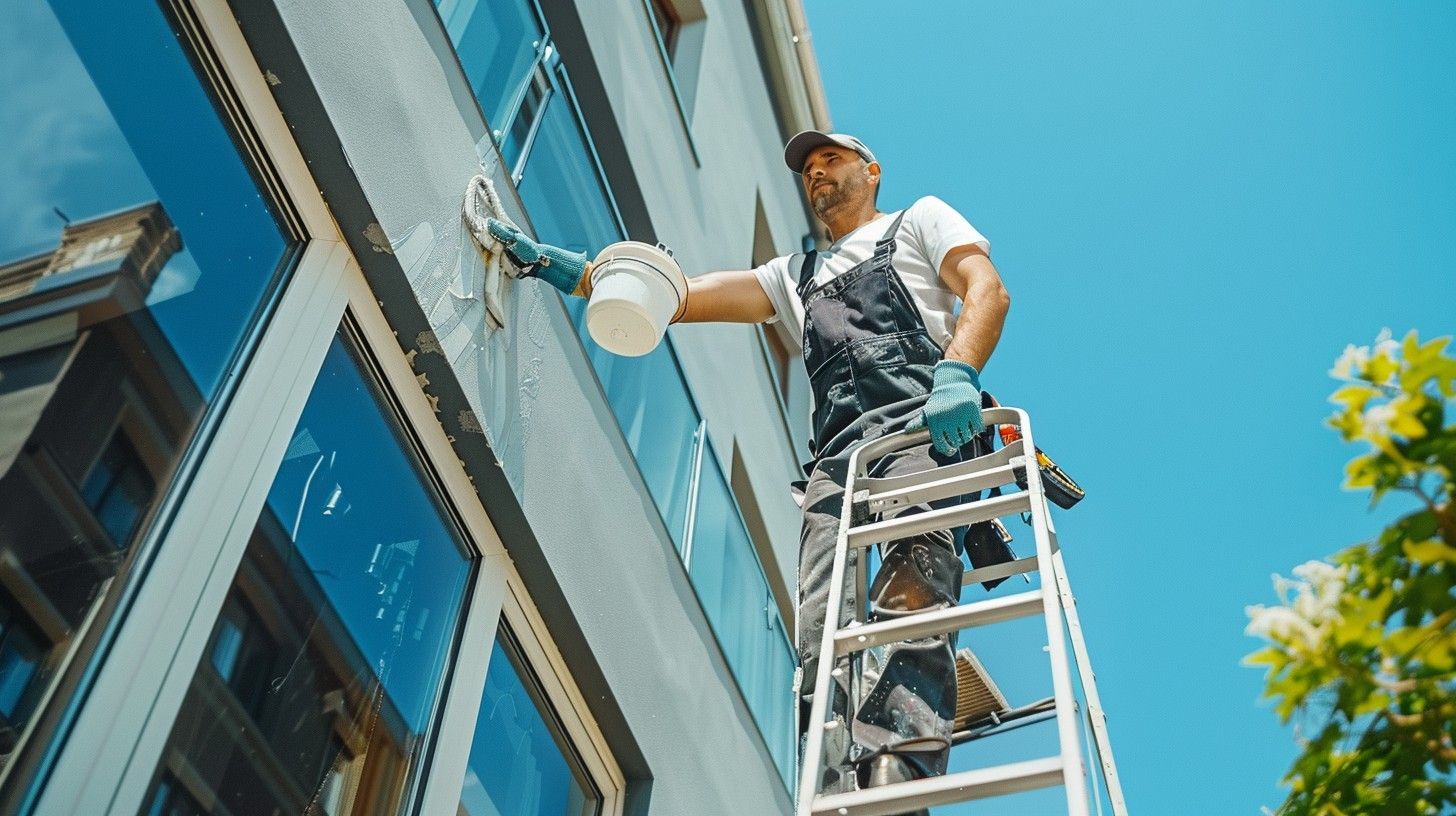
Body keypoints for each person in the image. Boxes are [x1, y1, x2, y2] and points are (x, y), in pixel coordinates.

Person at [487, 131, 1010, 810]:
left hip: (922, 427)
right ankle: (831, 781)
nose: (816, 172)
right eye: (807, 169)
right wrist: (585, 276)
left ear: (871, 171)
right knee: (823, 629)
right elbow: (683, 296)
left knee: (915, 575)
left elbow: (986, 290)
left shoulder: (920, 222)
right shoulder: (793, 275)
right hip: (837, 461)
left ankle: (900, 769)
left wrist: (958, 373)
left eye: (832, 160)